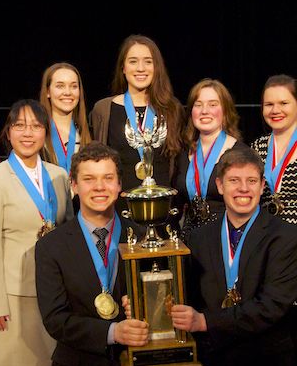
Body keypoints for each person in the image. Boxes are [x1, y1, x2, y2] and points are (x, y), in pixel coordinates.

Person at [170, 146, 297, 366]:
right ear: (220, 186)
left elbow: (272, 306)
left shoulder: (286, 237)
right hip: (213, 365)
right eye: (234, 180)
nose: (243, 189)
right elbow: (185, 295)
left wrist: (205, 321)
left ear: (262, 186)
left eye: (251, 180)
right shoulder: (198, 237)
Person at [0, 98, 74, 366]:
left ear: (45, 133)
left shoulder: (59, 175)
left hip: (54, 295)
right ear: (8, 133)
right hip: (13, 298)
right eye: (20, 126)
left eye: (35, 126)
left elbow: (68, 234)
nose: (28, 133)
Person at [35, 141, 149, 366]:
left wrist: (144, 306)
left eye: (108, 178)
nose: (99, 187)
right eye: (89, 179)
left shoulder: (142, 239)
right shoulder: (50, 246)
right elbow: (55, 319)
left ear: (119, 185)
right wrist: (112, 332)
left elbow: (160, 304)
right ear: (74, 186)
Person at [89, 34, 185, 214]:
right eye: (133, 61)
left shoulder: (173, 109)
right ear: (123, 68)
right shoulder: (104, 109)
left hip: (162, 211)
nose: (141, 68)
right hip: (118, 211)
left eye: (148, 61)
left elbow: (178, 165)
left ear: (156, 67)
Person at [170, 78, 245, 244]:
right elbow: (176, 206)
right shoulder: (183, 154)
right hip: (189, 241)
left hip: (226, 239)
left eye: (212, 104)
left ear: (225, 110)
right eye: (198, 104)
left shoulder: (241, 154)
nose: (204, 111)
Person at [251, 74, 297, 223]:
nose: (275, 110)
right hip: (267, 236)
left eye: (283, 103)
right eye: (269, 104)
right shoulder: (257, 147)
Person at [39, 62, 92, 172]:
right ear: (48, 91)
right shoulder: (37, 133)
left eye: (74, 86)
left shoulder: (90, 134)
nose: (68, 92)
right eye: (60, 86)